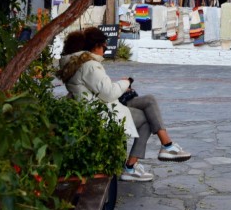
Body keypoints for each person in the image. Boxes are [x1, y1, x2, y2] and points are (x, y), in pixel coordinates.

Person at [61, 27, 192, 183]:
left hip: (102, 105)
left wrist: (121, 86)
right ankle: (136, 164)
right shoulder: (89, 65)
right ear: (96, 45)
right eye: (104, 46)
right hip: (102, 111)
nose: (105, 50)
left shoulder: (78, 64)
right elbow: (108, 92)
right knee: (146, 118)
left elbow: (100, 88)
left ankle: (166, 146)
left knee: (149, 100)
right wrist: (125, 82)